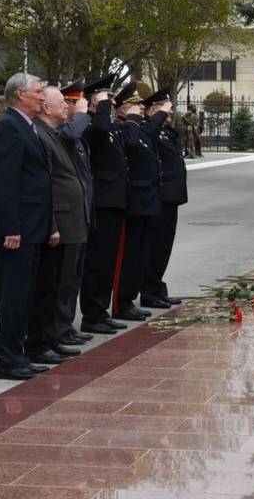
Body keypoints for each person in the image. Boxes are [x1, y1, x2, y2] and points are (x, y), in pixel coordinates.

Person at [0, 73, 54, 380]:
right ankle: (7, 359)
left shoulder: (28, 127)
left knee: (25, 294)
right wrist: (11, 227)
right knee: (13, 296)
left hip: (33, 228)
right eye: (38, 92)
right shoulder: (8, 128)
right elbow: (5, 183)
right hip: (16, 231)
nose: (42, 97)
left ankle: (17, 353)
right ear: (19, 95)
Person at [29, 85, 89, 365]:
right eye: (60, 102)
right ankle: (48, 337)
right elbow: (48, 186)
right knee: (54, 284)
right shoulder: (43, 133)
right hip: (60, 219)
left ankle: (55, 336)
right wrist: (52, 223)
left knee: (65, 281)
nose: (66, 106)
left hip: (72, 218)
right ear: (46, 108)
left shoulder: (52, 133)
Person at [111, 82, 169, 321]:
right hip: (133, 204)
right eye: (134, 105)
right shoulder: (123, 128)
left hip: (146, 203)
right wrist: (132, 120)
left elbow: (149, 131)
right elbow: (132, 144)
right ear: (123, 108)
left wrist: (160, 112)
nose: (140, 109)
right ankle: (121, 303)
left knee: (139, 255)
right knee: (127, 256)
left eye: (140, 106)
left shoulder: (140, 128)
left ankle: (129, 299)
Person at [78, 73, 131, 335]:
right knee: (97, 262)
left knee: (107, 262)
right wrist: (99, 105)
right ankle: (92, 315)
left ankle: (101, 310)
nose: (110, 101)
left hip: (113, 202)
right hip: (100, 203)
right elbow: (98, 131)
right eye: (105, 97)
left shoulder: (104, 125)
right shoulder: (89, 125)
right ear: (93, 100)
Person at [55, 79, 95, 347]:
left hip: (81, 217)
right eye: (73, 103)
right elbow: (70, 134)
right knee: (63, 278)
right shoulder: (61, 133)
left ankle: (66, 325)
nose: (78, 107)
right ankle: (58, 328)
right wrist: (82, 115)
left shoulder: (76, 136)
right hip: (65, 220)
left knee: (74, 278)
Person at [140, 89, 186, 309]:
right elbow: (147, 132)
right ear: (151, 109)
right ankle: (149, 291)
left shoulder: (167, 131)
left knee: (164, 247)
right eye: (164, 107)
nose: (169, 111)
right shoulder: (148, 128)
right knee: (155, 247)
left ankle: (158, 288)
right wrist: (158, 118)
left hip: (171, 198)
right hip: (159, 198)